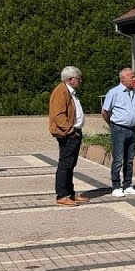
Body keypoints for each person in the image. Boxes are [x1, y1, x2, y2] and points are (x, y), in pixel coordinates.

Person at [49, 67, 87, 206]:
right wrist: (70, 130)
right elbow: (58, 115)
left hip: (73, 131)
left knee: (70, 164)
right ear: (71, 80)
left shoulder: (69, 91)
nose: (80, 81)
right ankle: (62, 195)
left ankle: (70, 194)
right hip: (67, 134)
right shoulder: (61, 91)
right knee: (65, 164)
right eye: (79, 78)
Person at [101, 67, 135, 197]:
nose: (134, 78)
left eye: (134, 76)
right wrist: (111, 125)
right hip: (119, 129)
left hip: (132, 129)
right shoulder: (114, 92)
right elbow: (105, 111)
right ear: (123, 78)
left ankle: (127, 184)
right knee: (118, 159)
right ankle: (116, 186)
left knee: (130, 159)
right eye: (131, 76)